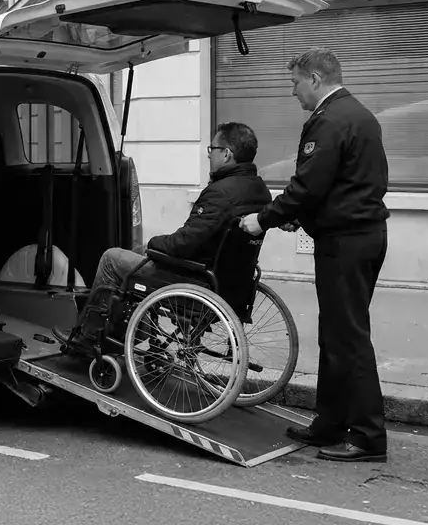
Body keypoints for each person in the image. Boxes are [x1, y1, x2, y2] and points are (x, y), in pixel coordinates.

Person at [240, 47, 389, 464]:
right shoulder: (359, 115)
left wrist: (263, 220)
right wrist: (304, 218)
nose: (293, 92)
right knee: (336, 335)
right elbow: (344, 186)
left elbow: (308, 186)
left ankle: (367, 436)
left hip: (347, 242)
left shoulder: (330, 121)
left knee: (348, 338)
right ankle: (329, 422)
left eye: (295, 83)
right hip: (359, 236)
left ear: (316, 79)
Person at [53, 121, 271, 346]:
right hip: (232, 284)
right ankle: (128, 331)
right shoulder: (259, 190)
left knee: (112, 259)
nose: (208, 155)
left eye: (212, 149)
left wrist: (154, 243)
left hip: (197, 280)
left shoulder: (221, 192)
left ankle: (89, 335)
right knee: (137, 258)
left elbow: (183, 244)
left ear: (226, 154)